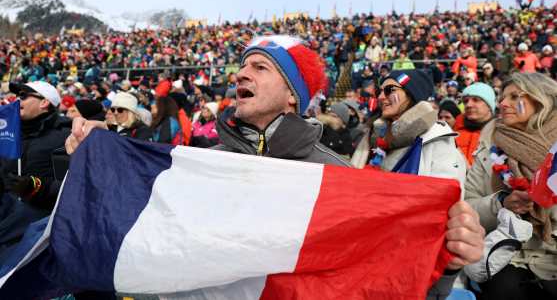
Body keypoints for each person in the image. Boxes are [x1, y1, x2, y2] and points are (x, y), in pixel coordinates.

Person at [66, 36, 484, 299]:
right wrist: (91, 165)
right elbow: (143, 234)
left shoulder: (336, 176)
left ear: (292, 96)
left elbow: (381, 280)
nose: (240, 73)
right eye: (242, 64)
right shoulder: (203, 162)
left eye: (259, 66)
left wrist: (446, 260)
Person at [465, 72, 557, 299]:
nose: (503, 103)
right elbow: (466, 206)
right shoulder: (489, 149)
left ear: (541, 101)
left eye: (515, 96)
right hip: (506, 256)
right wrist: (500, 203)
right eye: (502, 97)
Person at [0, 81, 71, 259]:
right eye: (17, 96)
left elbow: (70, 184)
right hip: (7, 216)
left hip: (40, 224)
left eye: (23, 96)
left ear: (44, 102)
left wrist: (35, 187)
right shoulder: (8, 133)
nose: (17, 100)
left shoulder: (64, 135)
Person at [453, 83, 496, 166]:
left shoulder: (500, 134)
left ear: (489, 106)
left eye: (476, 100)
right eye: (465, 101)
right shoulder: (453, 132)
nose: (468, 105)